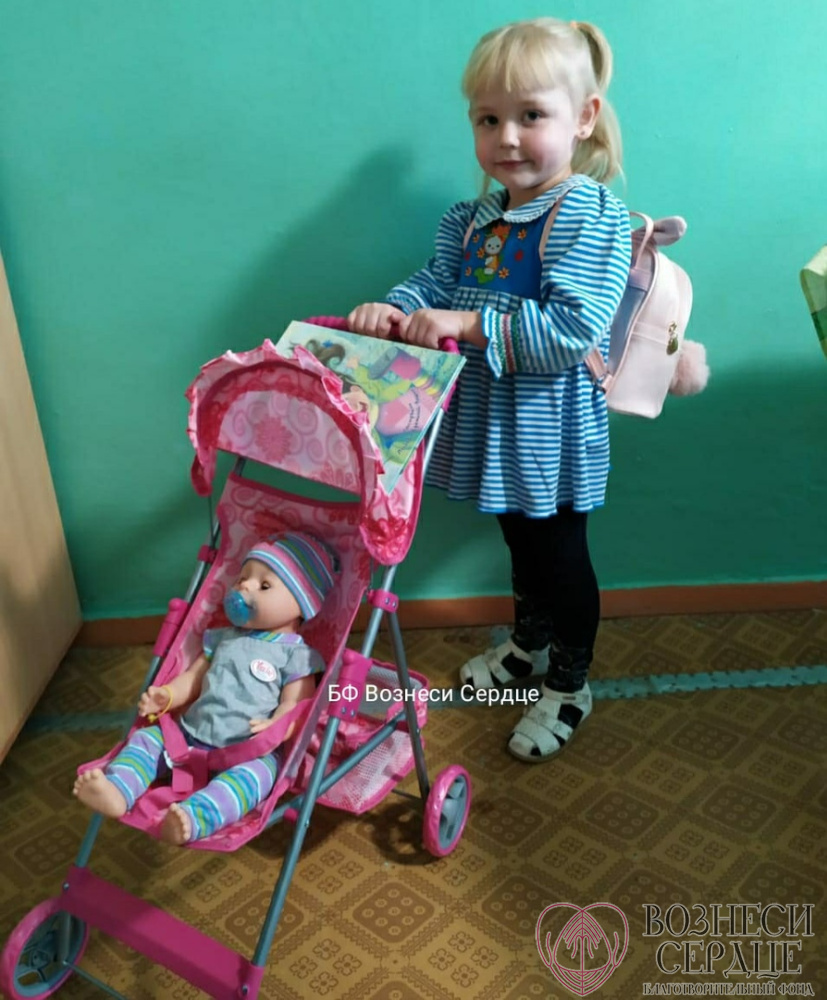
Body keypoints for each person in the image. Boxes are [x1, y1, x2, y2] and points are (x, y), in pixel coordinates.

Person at [347, 18, 631, 762]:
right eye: (488, 119)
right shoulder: (473, 219)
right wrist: (395, 309)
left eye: (531, 115)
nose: (507, 137)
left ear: (583, 118)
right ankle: (528, 643)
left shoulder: (588, 212)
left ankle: (569, 682)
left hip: (548, 424)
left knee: (559, 551)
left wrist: (466, 324)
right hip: (491, 419)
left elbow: (573, 328)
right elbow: (436, 285)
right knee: (519, 538)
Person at [74, 530, 339, 842]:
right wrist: (168, 695)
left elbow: (297, 705)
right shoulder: (223, 638)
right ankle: (119, 789)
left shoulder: (295, 654)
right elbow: (194, 677)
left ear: (301, 605)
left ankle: (192, 818)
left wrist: (275, 726)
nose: (245, 586)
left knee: (256, 779)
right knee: (146, 740)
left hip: (247, 750)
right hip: (187, 737)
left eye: (264, 585)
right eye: (243, 578)